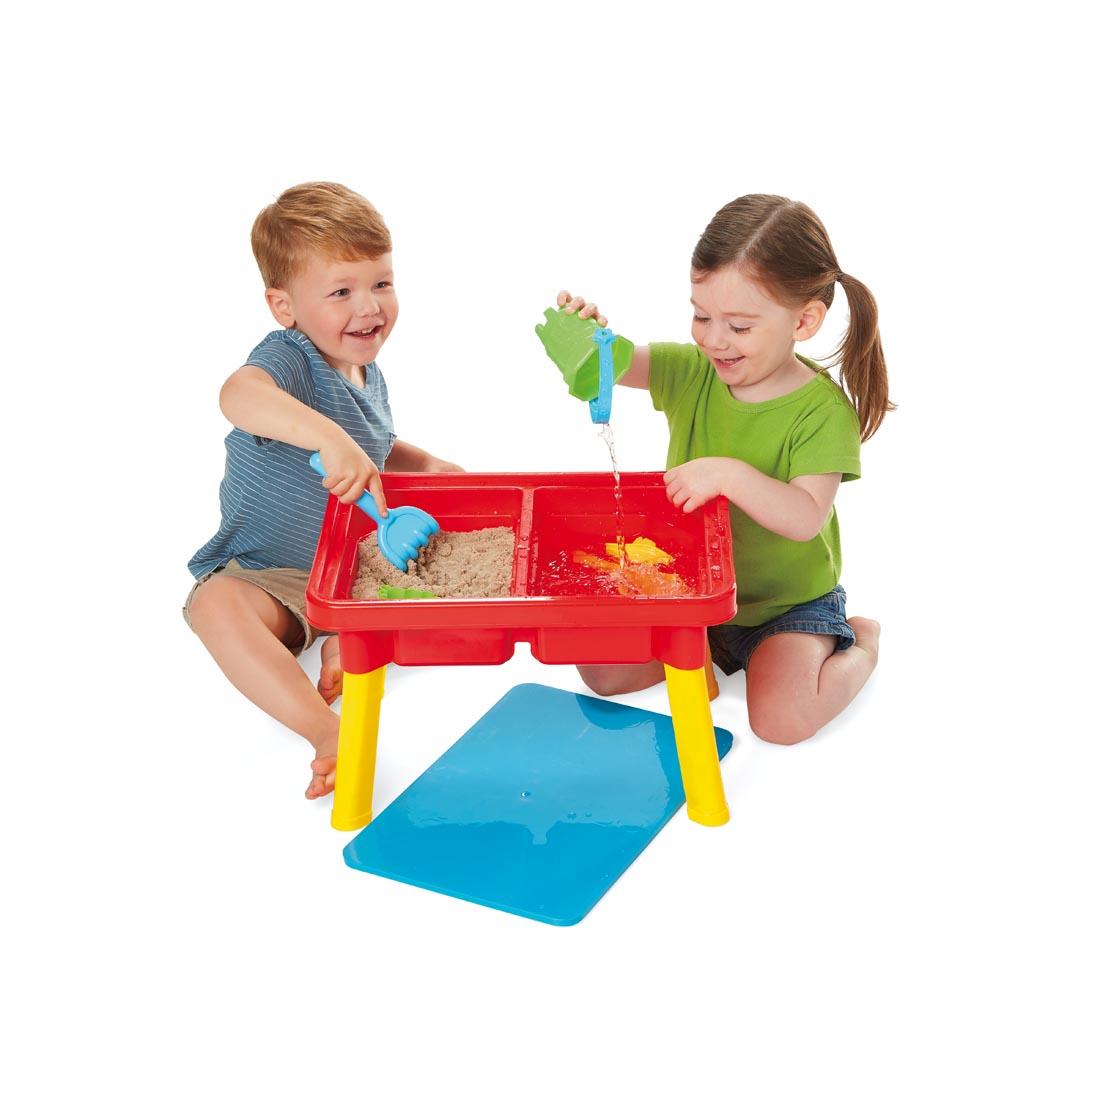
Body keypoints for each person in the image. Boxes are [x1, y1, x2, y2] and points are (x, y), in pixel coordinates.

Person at [556, 194, 891, 745]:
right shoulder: (694, 371)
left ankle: (864, 641)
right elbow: (616, 364)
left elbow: (805, 517)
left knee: (781, 723)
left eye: (738, 326)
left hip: (784, 607)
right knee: (603, 674)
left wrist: (731, 476)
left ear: (803, 321)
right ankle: (702, 658)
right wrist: (587, 340)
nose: (713, 339)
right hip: (693, 593)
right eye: (700, 314)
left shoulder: (822, 412)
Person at [184, 182, 461, 798]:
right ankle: (326, 730)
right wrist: (326, 436)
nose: (369, 307)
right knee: (214, 607)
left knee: (438, 581)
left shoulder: (368, 373)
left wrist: (434, 468)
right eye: (341, 292)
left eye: (381, 284)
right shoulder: (290, 357)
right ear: (284, 307)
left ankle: (349, 636)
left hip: (356, 567)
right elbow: (238, 394)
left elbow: (379, 448)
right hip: (273, 576)